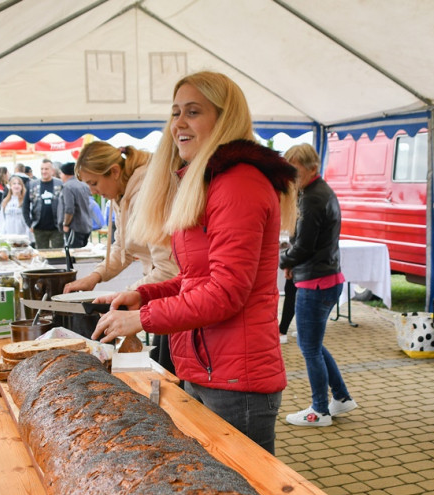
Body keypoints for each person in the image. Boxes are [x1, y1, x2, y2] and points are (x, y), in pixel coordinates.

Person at [92, 71, 297, 454]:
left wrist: (142, 319)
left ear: (225, 119)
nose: (179, 124)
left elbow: (225, 293)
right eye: (175, 113)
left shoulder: (239, 183)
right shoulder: (210, 181)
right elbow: (194, 279)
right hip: (208, 371)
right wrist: (144, 295)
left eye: (193, 112)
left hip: (238, 383)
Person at [65, 141, 179, 371]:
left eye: (94, 183)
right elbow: (123, 248)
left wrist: (130, 294)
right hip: (159, 292)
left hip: (173, 295)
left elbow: (169, 269)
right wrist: (95, 277)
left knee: (171, 373)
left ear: (115, 172)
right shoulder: (121, 194)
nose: (92, 191)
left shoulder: (147, 192)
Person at [279, 144, 357, 427]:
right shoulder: (320, 191)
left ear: (312, 167)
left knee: (310, 348)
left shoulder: (311, 199)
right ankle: (341, 398)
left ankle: (320, 411)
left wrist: (283, 259)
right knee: (314, 345)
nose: (290, 175)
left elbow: (304, 246)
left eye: (295, 169)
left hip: (316, 283)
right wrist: (292, 261)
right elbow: (307, 246)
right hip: (325, 279)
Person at [25, 159, 63, 249]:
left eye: (46, 169)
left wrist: (64, 222)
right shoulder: (32, 185)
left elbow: (66, 204)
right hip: (39, 227)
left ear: (52, 171)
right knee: (41, 254)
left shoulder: (60, 184)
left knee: (58, 254)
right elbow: (25, 206)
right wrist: (29, 223)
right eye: (42, 169)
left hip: (56, 227)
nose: (44, 171)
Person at [57, 161, 95, 249]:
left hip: (74, 227)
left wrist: (66, 224)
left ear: (65, 174)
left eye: (61, 173)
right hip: (86, 225)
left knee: (73, 254)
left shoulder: (68, 186)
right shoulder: (83, 185)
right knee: (83, 255)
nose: (60, 176)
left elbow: (69, 208)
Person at [0, 174, 30, 239]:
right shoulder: (5, 202)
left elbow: (29, 218)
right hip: (9, 235)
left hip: (22, 235)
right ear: (10, 186)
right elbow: (2, 219)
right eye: (14, 184)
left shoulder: (26, 201)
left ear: (22, 186)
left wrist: (28, 234)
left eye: (19, 184)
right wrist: (2, 234)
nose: (16, 186)